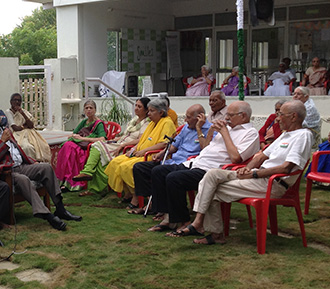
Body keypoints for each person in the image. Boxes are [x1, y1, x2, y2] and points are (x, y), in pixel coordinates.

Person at [179, 100, 312, 246]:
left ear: (293, 117)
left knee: (210, 190)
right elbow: (261, 156)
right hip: (258, 176)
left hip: (272, 183)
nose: (277, 118)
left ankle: (210, 231)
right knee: (211, 175)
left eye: (280, 114)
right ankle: (200, 223)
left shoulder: (302, 136)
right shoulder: (285, 135)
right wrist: (247, 169)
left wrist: (254, 174)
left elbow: (286, 168)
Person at [147, 101, 260, 233]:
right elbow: (205, 148)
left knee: (174, 178)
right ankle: (167, 216)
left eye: (230, 115)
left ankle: (183, 220)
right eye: (227, 115)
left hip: (214, 170)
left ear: (243, 116)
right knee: (158, 171)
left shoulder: (250, 133)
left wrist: (225, 134)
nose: (227, 118)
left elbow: (236, 158)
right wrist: (211, 132)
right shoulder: (227, 128)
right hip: (196, 163)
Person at [0, 105, 82, 231]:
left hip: (21, 165)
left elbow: (18, 150)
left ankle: (60, 208)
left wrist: (32, 162)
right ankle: (48, 216)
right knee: (23, 179)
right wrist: (2, 142)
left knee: (46, 167)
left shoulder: (5, 130)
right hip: (5, 172)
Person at [131, 104, 212, 213]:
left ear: (199, 118)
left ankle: (159, 207)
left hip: (188, 163)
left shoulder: (210, 130)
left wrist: (198, 129)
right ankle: (151, 201)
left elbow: (206, 150)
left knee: (160, 172)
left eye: (188, 117)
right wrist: (161, 153)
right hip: (173, 160)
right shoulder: (186, 128)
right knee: (140, 168)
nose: (186, 120)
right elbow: (174, 146)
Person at [105, 98, 177, 206]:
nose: (149, 114)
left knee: (126, 166)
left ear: (161, 112)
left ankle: (137, 195)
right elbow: (143, 140)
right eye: (148, 110)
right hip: (141, 152)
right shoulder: (153, 123)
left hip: (154, 155)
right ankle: (128, 193)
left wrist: (143, 151)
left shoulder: (167, 123)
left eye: (152, 111)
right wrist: (133, 149)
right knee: (116, 162)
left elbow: (163, 144)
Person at [72, 97, 150, 196]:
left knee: (97, 146)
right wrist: (116, 139)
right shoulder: (134, 121)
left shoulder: (147, 123)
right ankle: (93, 185)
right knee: (98, 155)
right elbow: (125, 135)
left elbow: (141, 140)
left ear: (146, 110)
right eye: (136, 105)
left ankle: (88, 173)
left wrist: (123, 144)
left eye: (139, 106)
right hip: (120, 142)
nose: (136, 108)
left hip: (128, 147)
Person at [55, 100, 106, 191]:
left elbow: (102, 139)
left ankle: (71, 182)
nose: (89, 110)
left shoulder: (99, 123)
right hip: (79, 144)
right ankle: (64, 181)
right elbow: (74, 133)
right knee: (66, 146)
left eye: (91, 108)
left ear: (95, 110)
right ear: (84, 111)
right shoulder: (84, 122)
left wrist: (83, 139)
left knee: (69, 148)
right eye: (86, 108)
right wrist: (75, 137)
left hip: (88, 147)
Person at [4, 93, 51, 162]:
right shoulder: (8, 112)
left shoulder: (23, 111)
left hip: (28, 134)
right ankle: (30, 163)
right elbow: (15, 128)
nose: (17, 102)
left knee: (43, 146)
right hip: (17, 135)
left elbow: (31, 125)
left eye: (19, 100)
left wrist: (22, 113)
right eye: (15, 100)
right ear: (11, 102)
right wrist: (24, 126)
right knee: (27, 147)